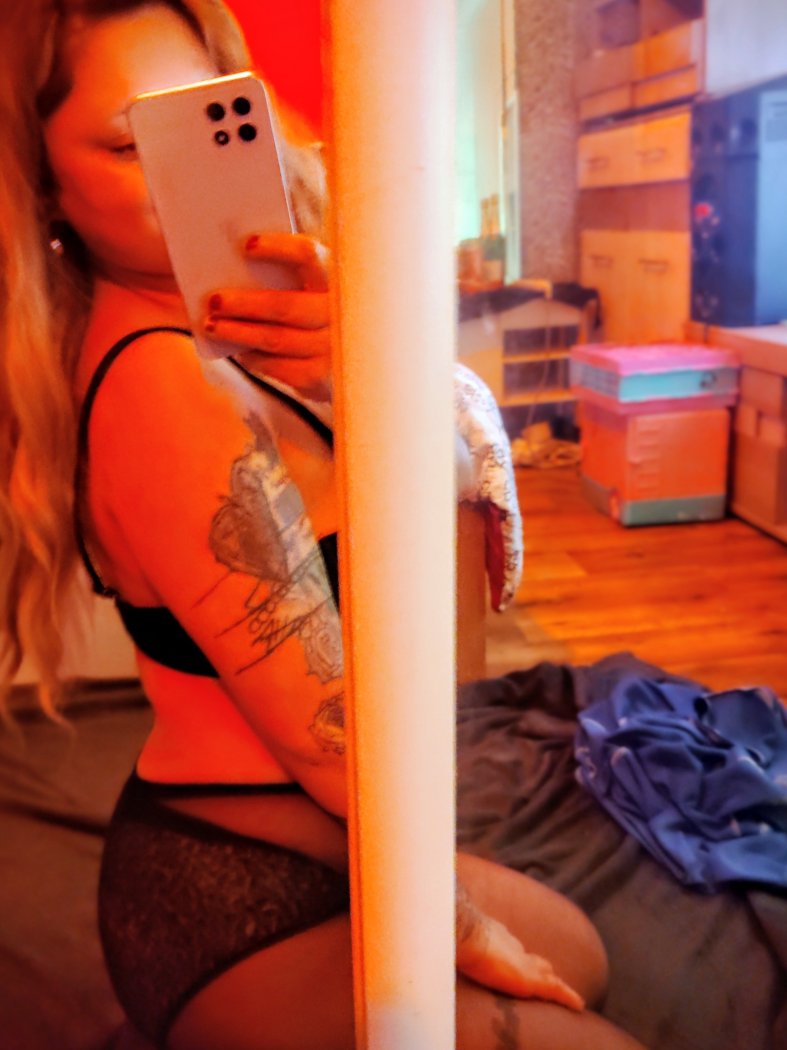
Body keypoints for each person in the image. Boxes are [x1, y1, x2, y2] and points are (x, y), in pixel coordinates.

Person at [0, 1, 648, 1047]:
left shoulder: (245, 336)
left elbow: (450, 601)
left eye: (204, 119)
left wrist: (362, 363)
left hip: (349, 843)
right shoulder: (161, 382)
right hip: (234, 889)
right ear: (46, 185)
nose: (180, 171)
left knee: (582, 955)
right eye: (128, 144)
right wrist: (456, 922)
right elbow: (335, 735)